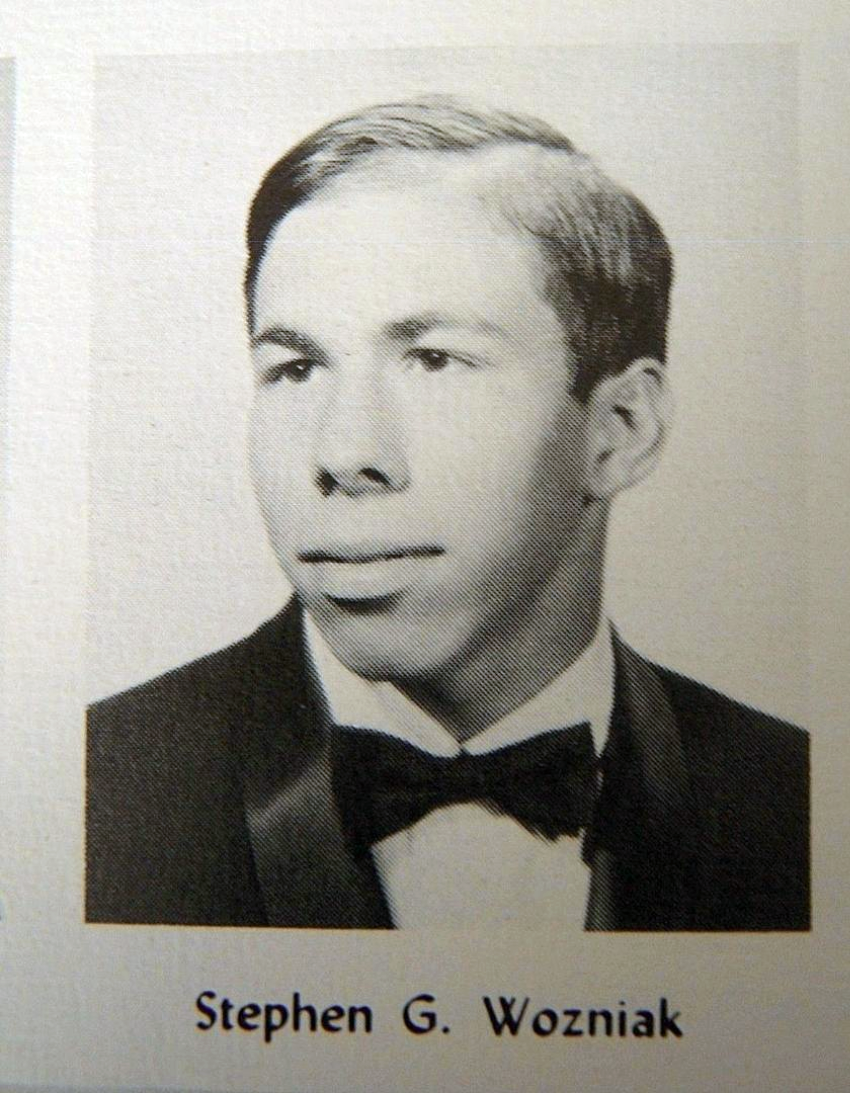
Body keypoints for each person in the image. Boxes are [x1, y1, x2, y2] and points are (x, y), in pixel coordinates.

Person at [86, 97, 809, 930]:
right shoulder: (97, 791)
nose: (343, 453)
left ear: (620, 431)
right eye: (294, 368)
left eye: (434, 360)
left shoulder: (800, 801)